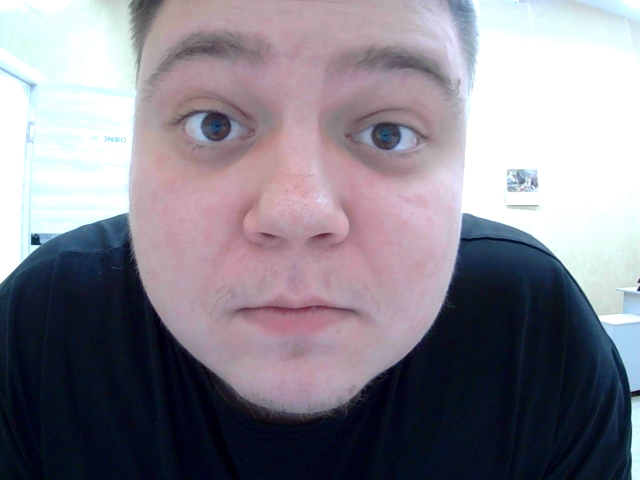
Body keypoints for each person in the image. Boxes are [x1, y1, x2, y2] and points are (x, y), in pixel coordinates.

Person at [0, 0, 632, 478]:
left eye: (388, 133)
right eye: (213, 124)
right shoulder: (43, 325)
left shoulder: (532, 334)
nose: (296, 211)